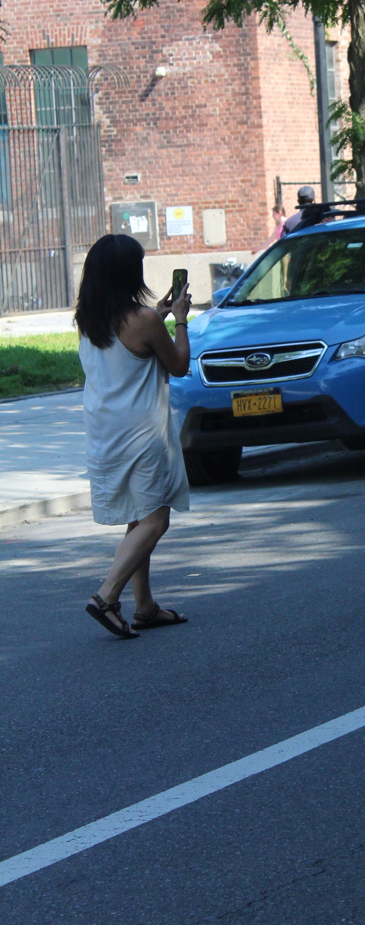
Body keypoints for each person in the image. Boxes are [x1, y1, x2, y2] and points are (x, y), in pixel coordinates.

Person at [76, 234, 192, 639]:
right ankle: (106, 597)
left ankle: (145, 607)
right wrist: (179, 318)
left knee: (138, 516)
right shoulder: (143, 320)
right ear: (129, 273)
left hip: (104, 431)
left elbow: (129, 350)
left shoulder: (88, 319)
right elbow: (178, 365)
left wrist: (157, 315)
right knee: (156, 519)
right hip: (142, 434)